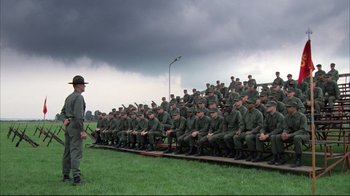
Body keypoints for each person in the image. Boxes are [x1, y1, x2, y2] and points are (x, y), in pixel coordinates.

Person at [61, 75, 88, 185]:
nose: (85, 87)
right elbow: (78, 116)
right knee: (76, 151)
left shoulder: (69, 97)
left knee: (67, 151)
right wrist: (82, 130)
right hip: (76, 126)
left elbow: (62, 112)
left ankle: (66, 175)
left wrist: (65, 120)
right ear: (78, 85)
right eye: (83, 84)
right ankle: (76, 178)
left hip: (69, 127)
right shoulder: (78, 97)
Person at [272, 101, 309, 167]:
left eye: (289, 107)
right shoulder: (287, 116)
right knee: (277, 137)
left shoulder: (302, 116)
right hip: (291, 135)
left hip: (304, 135)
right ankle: (281, 157)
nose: (287, 108)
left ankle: (298, 159)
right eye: (287, 107)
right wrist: (284, 133)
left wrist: (290, 135)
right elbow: (286, 127)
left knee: (297, 137)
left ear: (294, 108)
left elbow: (303, 130)